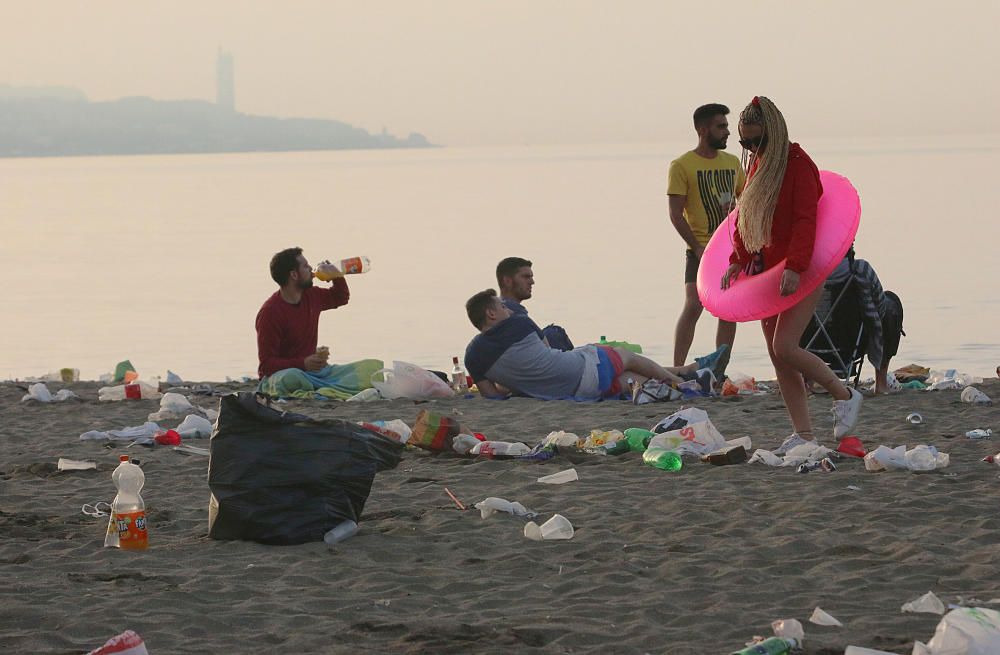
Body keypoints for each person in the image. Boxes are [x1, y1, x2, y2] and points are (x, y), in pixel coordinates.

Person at [720, 96, 862, 453]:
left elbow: (805, 219)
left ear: (775, 133)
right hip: (767, 269)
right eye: (745, 143)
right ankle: (804, 434)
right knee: (776, 354)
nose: (752, 149)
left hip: (802, 268)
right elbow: (747, 215)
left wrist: (796, 267)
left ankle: (844, 394)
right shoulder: (758, 166)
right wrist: (738, 258)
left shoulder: (798, 165)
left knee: (787, 346)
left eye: (758, 141)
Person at [463, 289, 726, 401]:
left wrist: (518, 382)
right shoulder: (518, 323)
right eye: (501, 306)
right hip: (579, 370)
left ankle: (689, 373)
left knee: (628, 380)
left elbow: (493, 395)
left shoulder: (473, 356)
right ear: (491, 314)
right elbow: (547, 350)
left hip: (574, 391)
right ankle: (682, 382)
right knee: (626, 356)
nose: (507, 310)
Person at [667, 103, 746, 370]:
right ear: (703, 130)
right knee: (693, 305)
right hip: (700, 249)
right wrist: (697, 247)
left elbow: (746, 203)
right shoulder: (681, 165)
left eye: (726, 126)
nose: (727, 132)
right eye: (720, 126)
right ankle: (677, 368)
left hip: (729, 248)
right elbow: (676, 214)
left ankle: (719, 370)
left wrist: (736, 210)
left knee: (728, 310)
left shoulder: (733, 163)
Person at [255, 247, 380, 398]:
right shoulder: (271, 312)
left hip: (314, 373)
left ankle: (320, 387)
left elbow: (340, 297)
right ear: (294, 275)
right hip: (280, 377)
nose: (310, 269)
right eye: (305, 266)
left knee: (371, 369)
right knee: (292, 378)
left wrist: (336, 275)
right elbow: (267, 365)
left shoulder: (311, 296)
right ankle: (323, 387)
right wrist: (303, 363)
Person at [822, 248, 905, 395]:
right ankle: (881, 383)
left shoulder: (804, 272)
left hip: (811, 345)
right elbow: (880, 307)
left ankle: (805, 382)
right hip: (852, 343)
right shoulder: (860, 269)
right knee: (891, 304)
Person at [496, 256, 574, 351]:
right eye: (526, 277)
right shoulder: (509, 311)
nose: (532, 282)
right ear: (507, 281)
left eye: (531, 277)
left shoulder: (499, 309)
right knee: (555, 333)